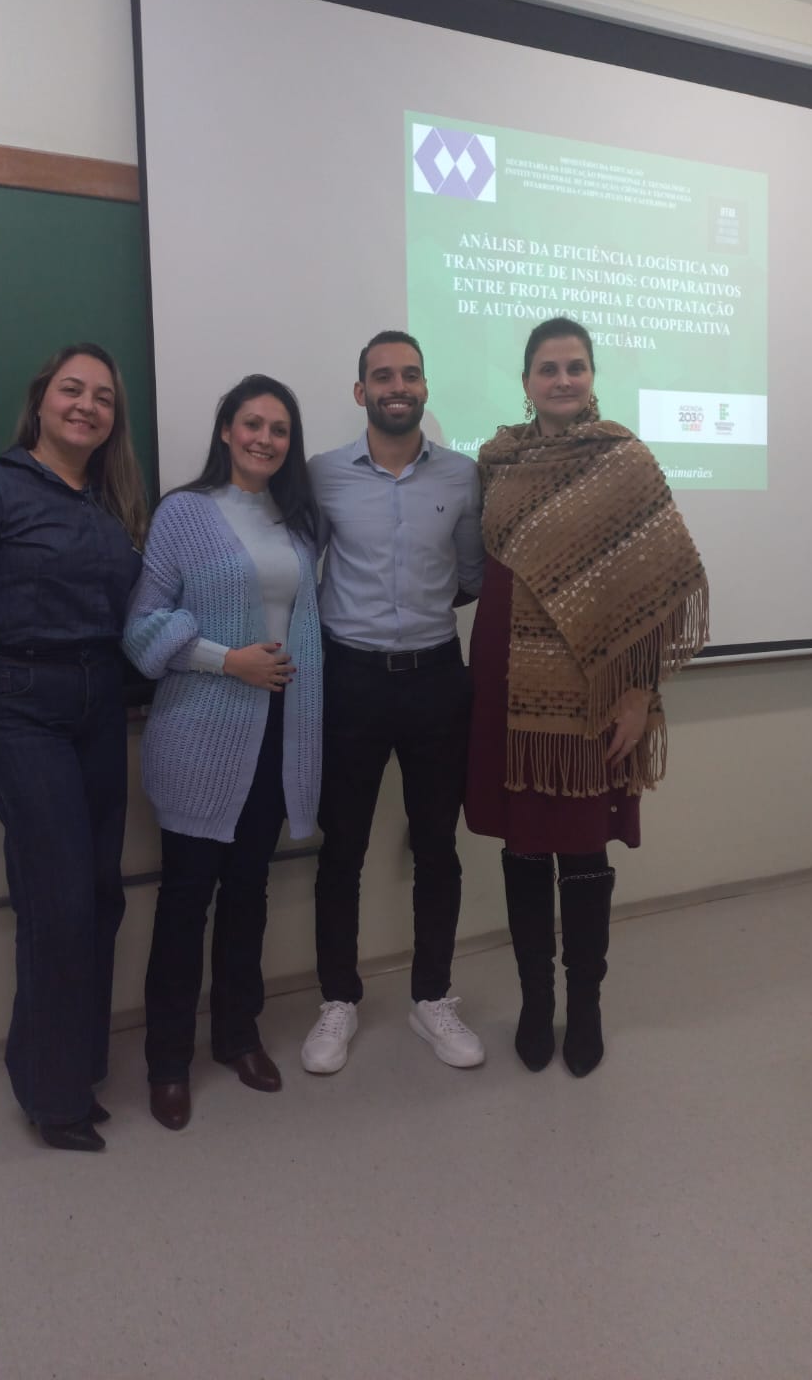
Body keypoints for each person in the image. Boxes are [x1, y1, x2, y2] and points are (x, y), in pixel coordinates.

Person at [466, 316, 708, 1077]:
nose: (562, 380)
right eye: (548, 368)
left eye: (575, 366)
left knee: (580, 847)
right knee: (523, 846)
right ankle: (536, 1001)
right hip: (506, 683)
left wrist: (638, 695)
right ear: (526, 380)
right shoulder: (497, 464)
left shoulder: (625, 462)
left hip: (589, 693)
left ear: (593, 376)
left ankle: (587, 1004)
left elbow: (655, 590)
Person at [0, 342, 148, 1152]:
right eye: (72, 390)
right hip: (19, 711)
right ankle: (53, 1100)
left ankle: (75, 1068)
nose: (87, 406)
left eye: (103, 397)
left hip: (99, 707)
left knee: (101, 895)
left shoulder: (111, 506)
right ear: (42, 401)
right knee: (59, 903)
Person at [123, 376, 322, 1132]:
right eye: (252, 424)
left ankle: (238, 1036)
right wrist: (226, 660)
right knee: (185, 901)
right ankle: (167, 1063)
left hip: (277, 735)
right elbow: (142, 628)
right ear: (226, 431)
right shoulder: (185, 513)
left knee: (249, 895)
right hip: (200, 734)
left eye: (279, 429)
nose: (265, 439)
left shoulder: (297, 524)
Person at [300, 331, 486, 1075]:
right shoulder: (322, 476)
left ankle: (431, 996)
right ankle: (338, 999)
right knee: (341, 847)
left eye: (410, 374)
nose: (397, 386)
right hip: (350, 679)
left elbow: (469, 575)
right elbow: (302, 566)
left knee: (438, 845)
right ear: (361, 392)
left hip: (437, 678)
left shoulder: (464, 476)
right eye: (383, 376)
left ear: (425, 387)